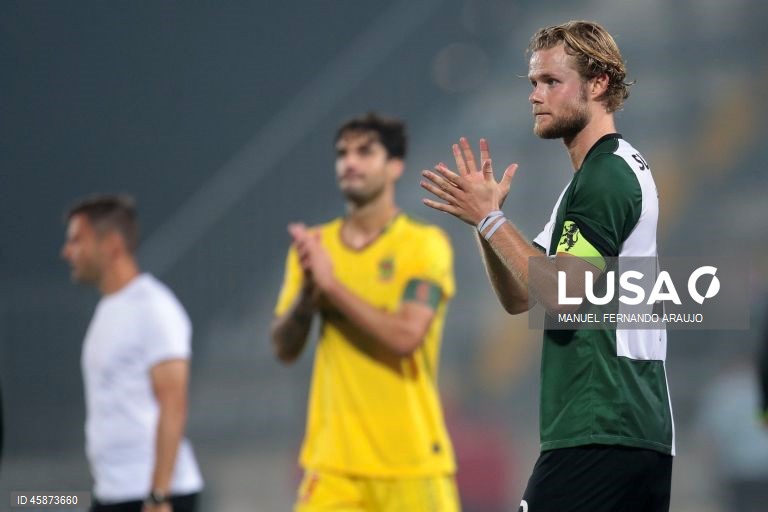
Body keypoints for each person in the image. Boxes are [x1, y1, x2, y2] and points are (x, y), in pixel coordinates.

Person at [421, 20, 673, 512]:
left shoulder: (607, 176)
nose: (536, 95)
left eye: (551, 82)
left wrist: (491, 219)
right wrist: (484, 223)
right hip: (625, 429)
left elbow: (562, 294)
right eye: (533, 83)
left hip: (602, 424)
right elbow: (520, 296)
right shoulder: (590, 181)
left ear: (598, 83)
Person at [271, 113, 460, 511]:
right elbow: (284, 348)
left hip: (410, 463)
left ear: (395, 166)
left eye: (365, 152)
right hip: (333, 464)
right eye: (342, 153)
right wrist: (307, 294)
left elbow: (407, 337)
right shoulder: (314, 248)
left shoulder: (423, 246)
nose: (349, 163)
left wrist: (331, 287)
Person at [61, 195, 203, 512]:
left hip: (153, 495)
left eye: (77, 241)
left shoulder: (153, 307)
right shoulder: (108, 310)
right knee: (31, 501)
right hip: (111, 493)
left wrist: (158, 495)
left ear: (111, 244)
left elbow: (173, 404)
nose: (67, 252)